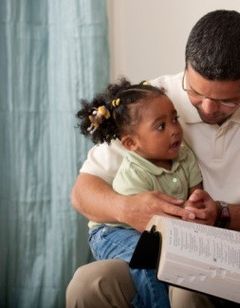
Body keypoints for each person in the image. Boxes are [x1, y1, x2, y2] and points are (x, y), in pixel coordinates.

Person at [66, 10, 240, 308]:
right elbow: (83, 193)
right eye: (195, 92)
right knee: (90, 284)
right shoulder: (154, 102)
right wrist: (129, 209)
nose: (207, 108)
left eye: (226, 100)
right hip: (164, 246)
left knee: (187, 289)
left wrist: (222, 214)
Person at [75, 79, 203, 307]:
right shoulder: (134, 173)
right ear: (132, 144)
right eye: (161, 126)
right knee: (146, 263)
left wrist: (196, 205)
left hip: (151, 232)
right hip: (113, 232)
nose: (174, 130)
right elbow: (143, 221)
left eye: (175, 119)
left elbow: (196, 195)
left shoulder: (185, 156)